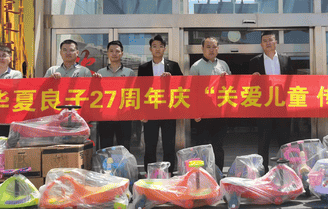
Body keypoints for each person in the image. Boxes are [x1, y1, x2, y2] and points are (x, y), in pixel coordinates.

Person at [247, 31, 296, 169]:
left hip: (282, 106)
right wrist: (253, 79)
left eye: (270, 40)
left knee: (284, 141)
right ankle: (263, 171)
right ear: (261, 44)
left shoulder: (286, 59)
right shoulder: (254, 61)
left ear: (275, 42)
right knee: (263, 141)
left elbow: (293, 81)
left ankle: (285, 170)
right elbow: (249, 86)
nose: (268, 43)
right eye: (265, 40)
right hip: (264, 107)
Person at [136, 35, 183, 172]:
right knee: (150, 145)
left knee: (169, 144)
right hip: (150, 111)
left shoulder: (173, 65)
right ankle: (150, 173)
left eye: (161, 46)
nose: (158, 49)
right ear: (150, 49)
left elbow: (182, 85)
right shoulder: (143, 68)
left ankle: (169, 173)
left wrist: (172, 79)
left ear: (165, 49)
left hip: (168, 111)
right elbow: (140, 90)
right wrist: (142, 112)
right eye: (155, 46)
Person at [190, 37, 231, 168]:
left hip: (219, 113)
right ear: (202, 49)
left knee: (218, 146)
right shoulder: (196, 67)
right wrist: (194, 112)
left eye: (214, 47)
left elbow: (231, 87)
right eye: (208, 47)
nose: (211, 50)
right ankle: (201, 175)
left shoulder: (223, 65)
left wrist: (227, 79)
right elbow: (192, 91)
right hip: (203, 114)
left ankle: (218, 174)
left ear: (218, 49)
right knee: (202, 146)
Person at [94, 40, 135, 149]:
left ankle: (124, 167)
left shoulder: (129, 73)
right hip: (106, 116)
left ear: (122, 53)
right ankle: (107, 166)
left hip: (124, 115)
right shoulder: (100, 73)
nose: (114, 54)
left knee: (124, 147)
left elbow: (134, 92)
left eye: (117, 51)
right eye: (111, 51)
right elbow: (95, 93)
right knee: (105, 147)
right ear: (107, 53)